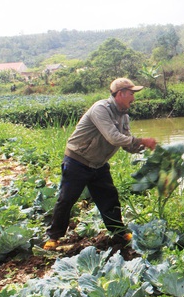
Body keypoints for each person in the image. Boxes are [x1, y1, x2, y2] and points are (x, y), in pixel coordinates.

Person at [43, 78, 157, 250]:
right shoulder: (100, 109)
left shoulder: (124, 116)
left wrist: (142, 148)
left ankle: (119, 232)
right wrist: (142, 140)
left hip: (98, 163)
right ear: (121, 94)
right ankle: (54, 237)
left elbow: (126, 143)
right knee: (67, 199)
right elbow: (113, 137)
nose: (133, 98)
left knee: (109, 198)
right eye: (131, 94)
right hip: (77, 160)